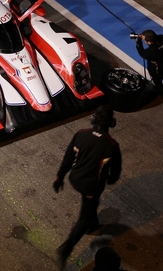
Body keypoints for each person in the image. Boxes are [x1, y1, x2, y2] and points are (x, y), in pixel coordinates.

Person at [53, 105, 122, 270]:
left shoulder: (81, 134)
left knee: (92, 205)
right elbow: (115, 171)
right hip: (91, 186)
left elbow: (68, 157)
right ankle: (65, 249)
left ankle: (93, 224)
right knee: (83, 218)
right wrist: (110, 179)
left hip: (75, 178)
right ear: (111, 123)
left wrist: (60, 176)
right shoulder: (111, 145)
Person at [135, 29, 163, 99]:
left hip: (157, 70)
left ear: (149, 42)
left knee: (157, 81)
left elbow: (142, 53)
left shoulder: (150, 52)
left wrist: (138, 42)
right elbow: (161, 37)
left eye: (145, 40)